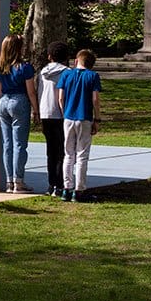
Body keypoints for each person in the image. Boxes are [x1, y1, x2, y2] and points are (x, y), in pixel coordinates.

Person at [56, 49, 102, 202]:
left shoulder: (66, 74)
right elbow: (95, 99)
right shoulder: (93, 76)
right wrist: (97, 118)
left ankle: (66, 188)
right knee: (82, 154)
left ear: (76, 61)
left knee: (68, 154)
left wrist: (64, 113)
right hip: (84, 117)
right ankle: (79, 189)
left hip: (68, 117)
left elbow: (60, 98)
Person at [0, 34, 37, 193]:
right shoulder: (25, 67)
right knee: (19, 144)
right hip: (19, 100)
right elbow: (31, 92)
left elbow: (0, 90)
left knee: (7, 144)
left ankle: (9, 181)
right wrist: (36, 110)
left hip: (3, 102)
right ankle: (19, 181)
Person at [36, 42, 71, 196]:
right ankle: (60, 184)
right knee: (61, 151)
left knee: (51, 151)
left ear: (49, 56)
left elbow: (39, 92)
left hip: (45, 112)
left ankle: (51, 184)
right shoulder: (67, 72)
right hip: (60, 113)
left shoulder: (43, 72)